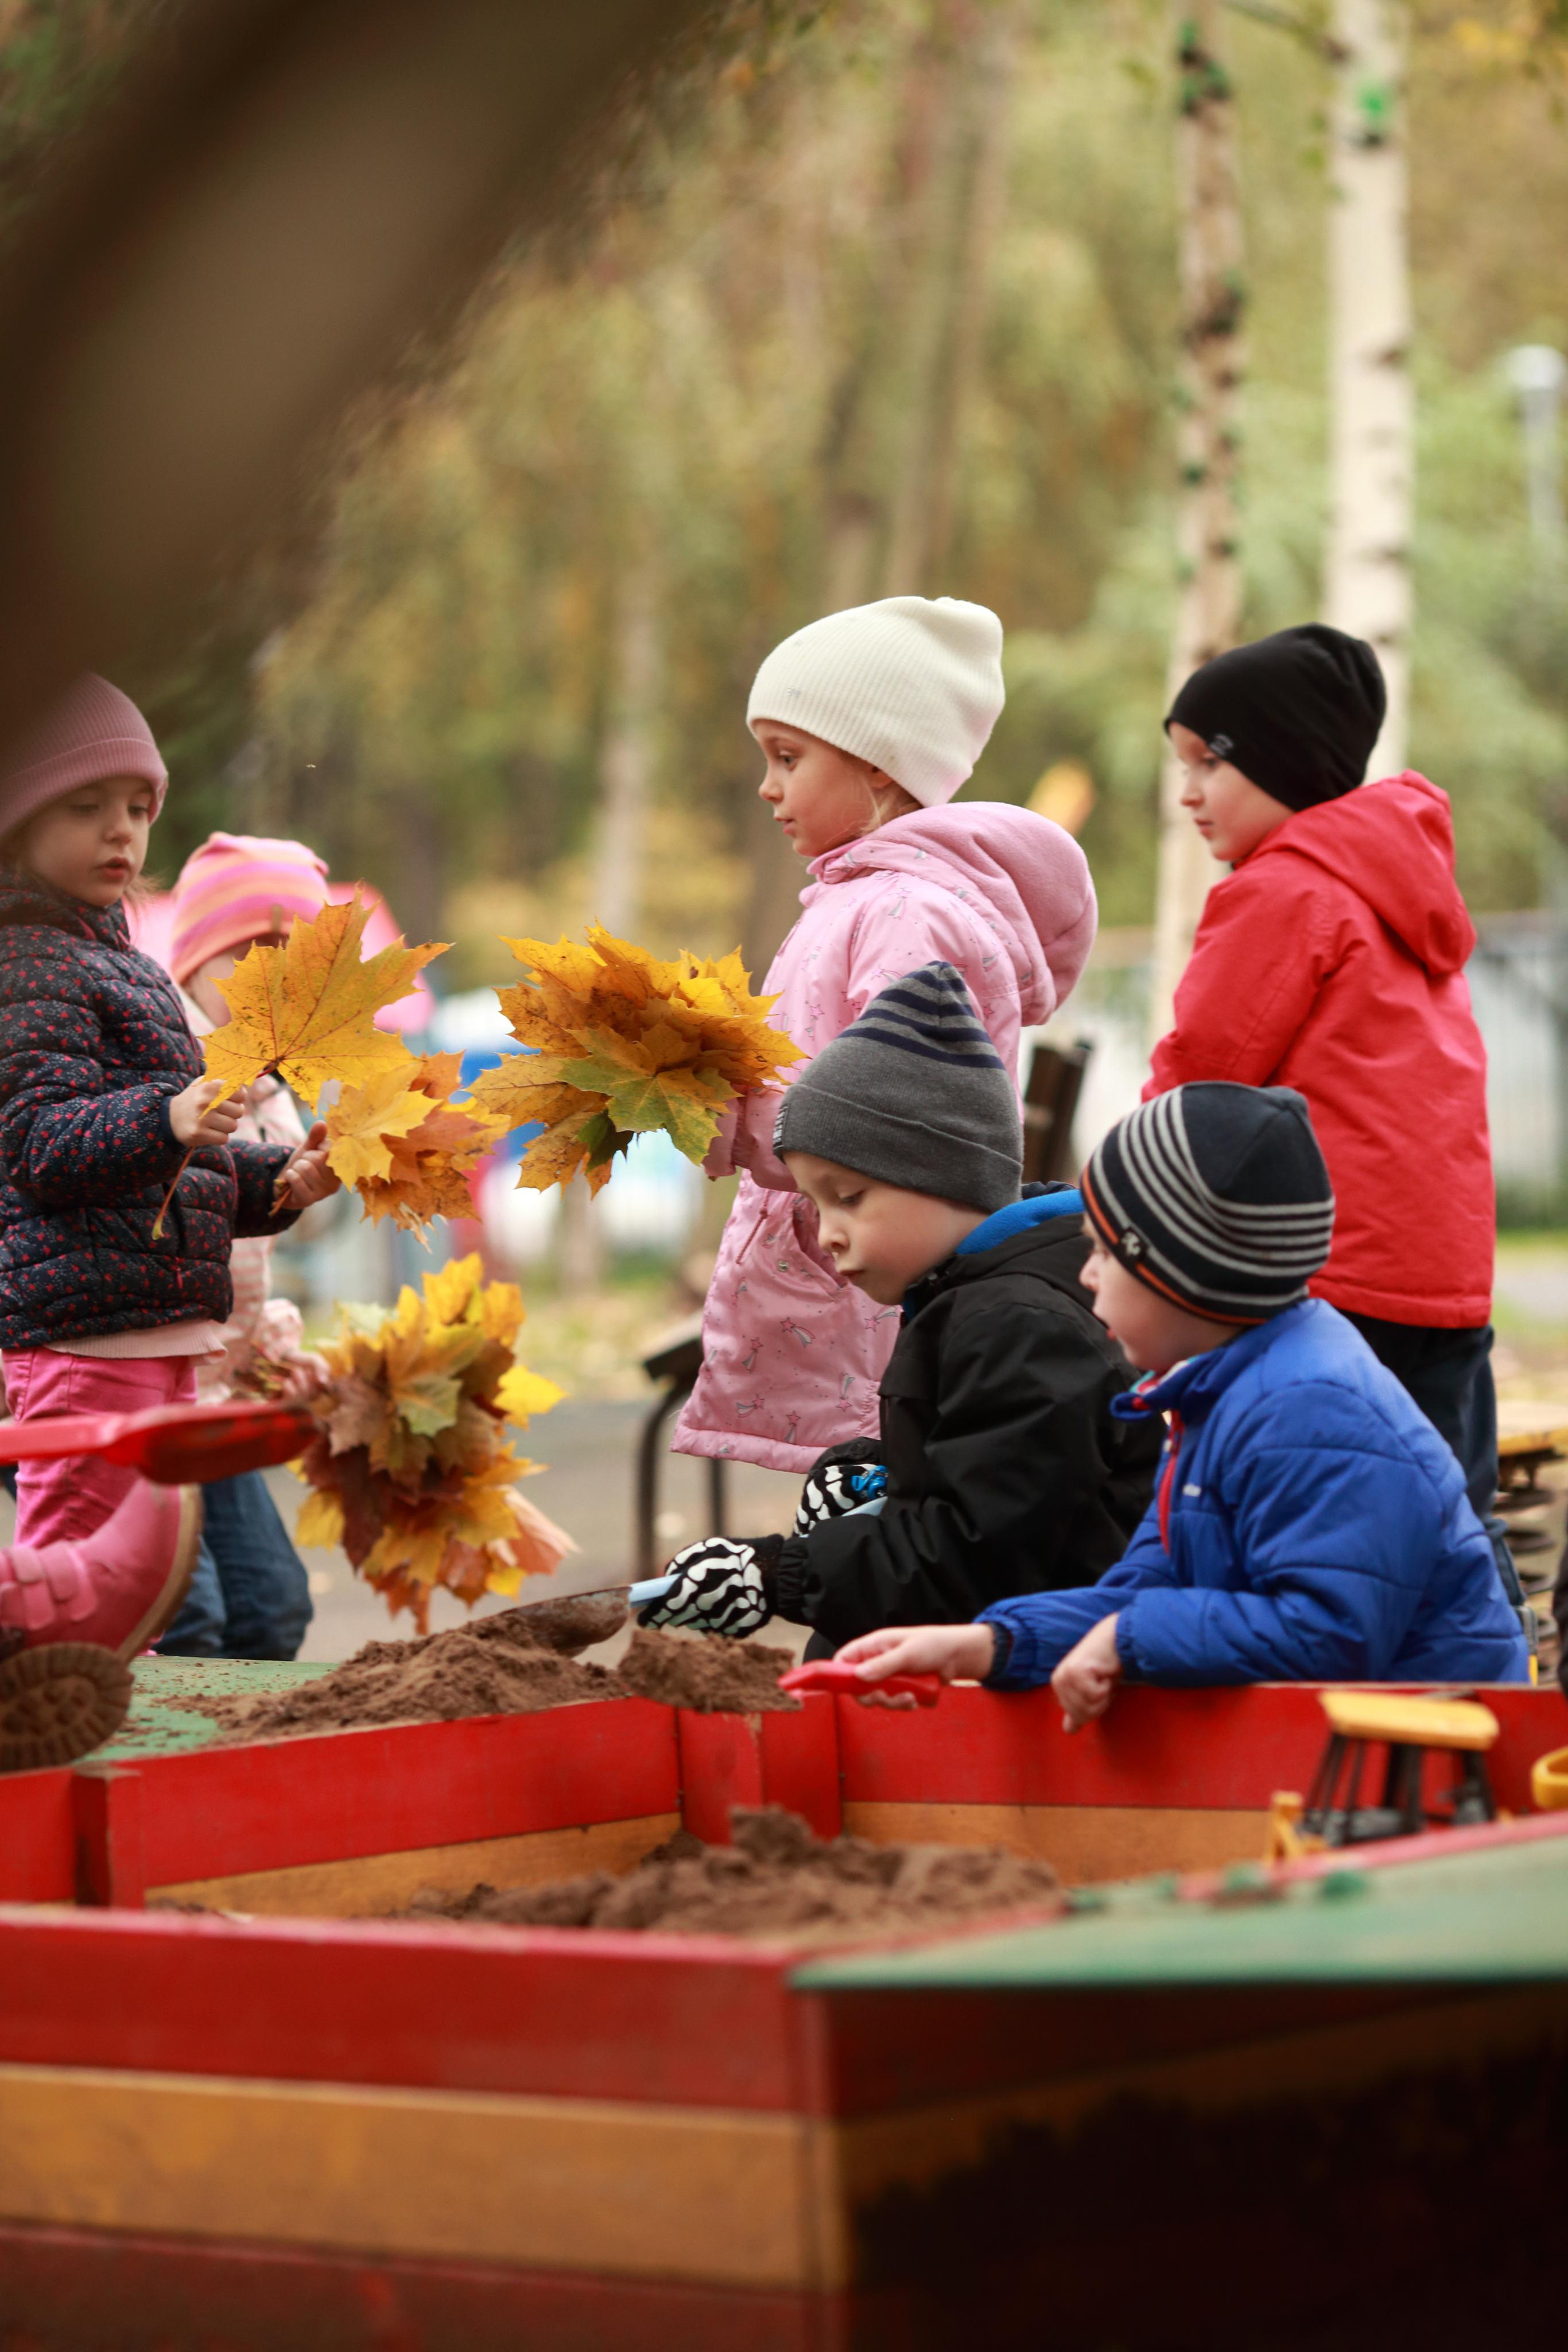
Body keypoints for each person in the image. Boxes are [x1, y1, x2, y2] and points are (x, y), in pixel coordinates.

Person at [837, 1084, 1531, 1721]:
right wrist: (986, 1645)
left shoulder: (1312, 1408)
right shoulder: (1222, 1391)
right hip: (1346, 1747)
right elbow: (1149, 1584)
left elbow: (1329, 1633)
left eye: (1103, 1254)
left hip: (1443, 1765)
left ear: (1177, 1271)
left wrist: (1126, 1638)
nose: (1084, 1275)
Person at [1150, 624, 1526, 1630]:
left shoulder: (1283, 892)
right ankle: (1498, 1689)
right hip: (1443, 1280)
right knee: (1448, 1504)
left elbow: (1201, 1079)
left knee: (1310, 1515)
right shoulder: (1402, 891)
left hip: (1334, 1272)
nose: (1187, 793)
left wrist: (1123, 1200)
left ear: (1282, 761)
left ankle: (1296, 1689)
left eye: (1209, 762)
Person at [673, 595, 1097, 1477]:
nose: (768, 786)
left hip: (869, 1287)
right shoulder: (863, 901)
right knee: (866, 1521)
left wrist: (716, 1113)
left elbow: (887, 1131)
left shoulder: (907, 916)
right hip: (842, 1271)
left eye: (789, 757)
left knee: (881, 1514)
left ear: (877, 768)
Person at [639, 963, 1161, 1648]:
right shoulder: (980, 1295)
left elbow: (976, 1555)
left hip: (1046, 1667)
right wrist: (886, 1470)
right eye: (816, 1203)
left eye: (849, 1197)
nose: (828, 1233)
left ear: (945, 1174)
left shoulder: (1017, 1326)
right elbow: (995, 1471)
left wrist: (778, 1576)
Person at [0, 676, 339, 1666]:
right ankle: (43, 1763)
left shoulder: (128, 969)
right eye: (86, 807)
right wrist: (169, 1114)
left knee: (143, 1603)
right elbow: (40, 1147)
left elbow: (178, 1175)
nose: (122, 833)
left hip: (152, 1336)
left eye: (139, 809)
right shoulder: (24, 968)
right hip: (80, 1336)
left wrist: (279, 1185)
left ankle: (114, 1771)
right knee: (76, 1588)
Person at [154, 831, 334, 1659]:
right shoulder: (153, 1066)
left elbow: (238, 1260)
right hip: (116, 1388)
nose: (274, 983)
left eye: (297, 962)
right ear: (192, 963)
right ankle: (151, 1773)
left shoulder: (274, 1099)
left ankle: (235, 1775)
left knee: (268, 1609)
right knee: (181, 1614)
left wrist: (267, 1353)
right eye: (252, 954)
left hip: (207, 1399)